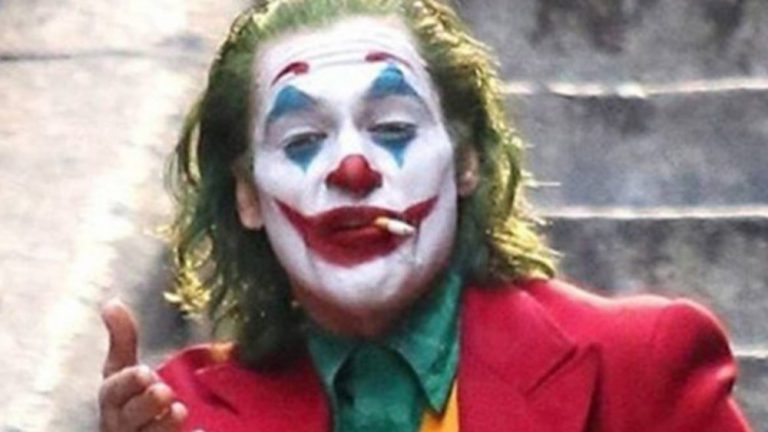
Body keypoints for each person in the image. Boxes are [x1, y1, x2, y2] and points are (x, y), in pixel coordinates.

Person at [97, 0, 753, 431]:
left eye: (392, 128)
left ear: (466, 162)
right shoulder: (184, 412)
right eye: (302, 140)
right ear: (248, 197)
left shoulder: (640, 364)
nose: (352, 169)